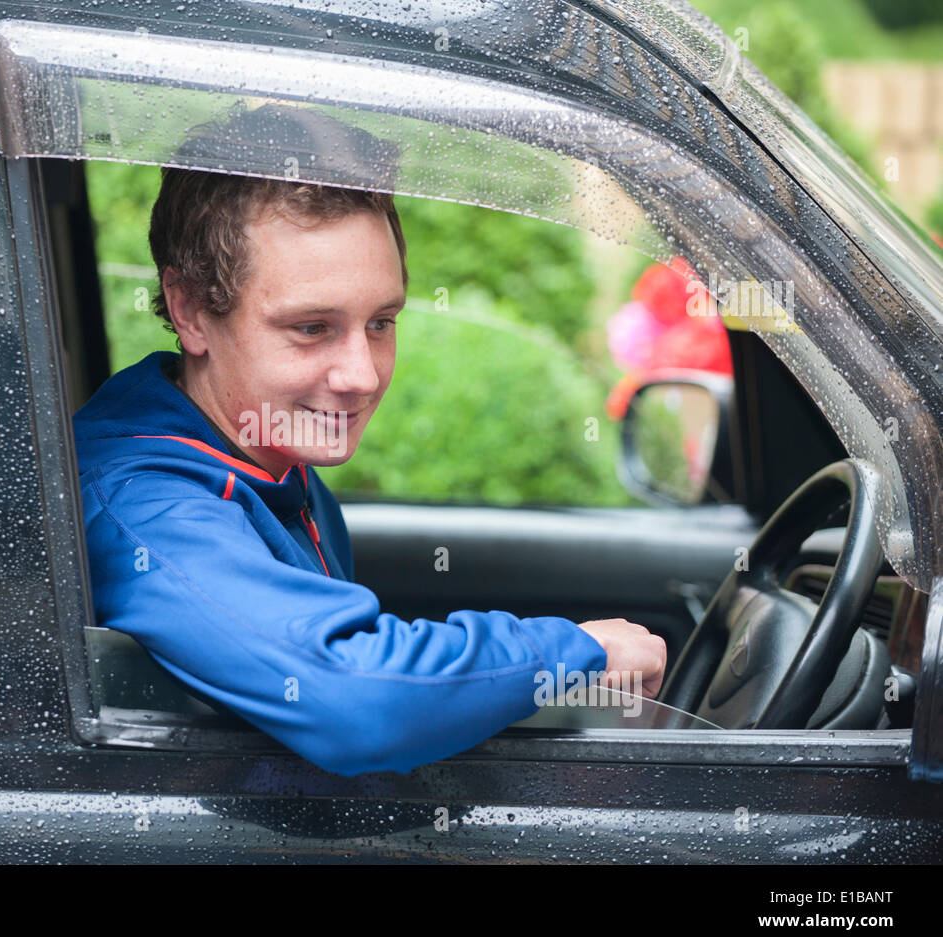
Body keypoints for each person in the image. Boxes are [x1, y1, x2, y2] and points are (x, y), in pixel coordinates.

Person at [72, 107, 665, 776]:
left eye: (381, 322)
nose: (362, 376)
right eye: (312, 327)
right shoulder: (144, 506)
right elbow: (354, 699)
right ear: (190, 311)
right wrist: (572, 652)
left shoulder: (263, 449)